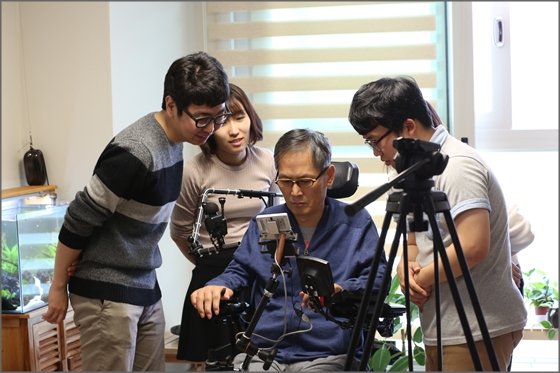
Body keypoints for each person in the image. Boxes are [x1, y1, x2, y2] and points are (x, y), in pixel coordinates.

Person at [42, 51, 230, 372]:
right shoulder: (136, 152)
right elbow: (78, 217)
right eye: (202, 118)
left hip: (143, 286)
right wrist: (58, 286)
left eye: (219, 116)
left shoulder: (176, 139)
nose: (210, 127)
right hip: (107, 291)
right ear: (171, 105)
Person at [347, 76, 527, 371]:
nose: (376, 152)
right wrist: (404, 268)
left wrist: (422, 278)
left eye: (376, 141)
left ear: (408, 127)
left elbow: (473, 246)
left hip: (479, 325)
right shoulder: (408, 170)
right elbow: (414, 239)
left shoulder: (456, 165)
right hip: (442, 324)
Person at [190, 129, 387, 371]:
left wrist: (341, 290)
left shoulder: (356, 223)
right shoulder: (266, 220)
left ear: (329, 176)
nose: (294, 192)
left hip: (328, 352)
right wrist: (218, 285)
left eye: (305, 181)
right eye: (285, 181)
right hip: (265, 349)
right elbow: (240, 269)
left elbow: (378, 280)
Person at [169, 83, 280, 363]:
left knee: (263, 361)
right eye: (222, 121)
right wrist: (209, 265)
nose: (233, 130)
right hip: (214, 276)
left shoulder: (268, 161)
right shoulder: (194, 171)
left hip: (261, 273)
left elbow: (278, 221)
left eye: (239, 117)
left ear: (251, 118)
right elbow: (180, 231)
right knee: (217, 363)